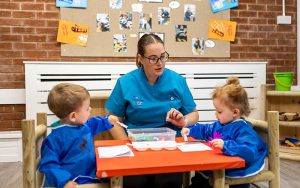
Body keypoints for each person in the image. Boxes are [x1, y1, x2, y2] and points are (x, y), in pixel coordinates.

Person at [105, 33, 199, 188]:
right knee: (136, 182)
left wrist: (184, 121)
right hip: (137, 146)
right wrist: (127, 145)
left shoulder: (177, 80)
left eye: (163, 56)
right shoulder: (126, 82)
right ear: (140, 58)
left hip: (169, 146)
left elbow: (194, 114)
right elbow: (113, 120)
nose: (160, 63)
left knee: (167, 182)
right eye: (153, 58)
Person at [178, 76, 267, 188]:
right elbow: (206, 129)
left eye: (219, 111)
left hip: (240, 169)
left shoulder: (243, 130)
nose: (216, 114)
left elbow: (249, 151)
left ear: (235, 112)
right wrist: (190, 130)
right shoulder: (221, 124)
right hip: (223, 162)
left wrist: (226, 145)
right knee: (201, 172)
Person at [39, 83, 120, 188]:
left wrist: (107, 120)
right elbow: (49, 165)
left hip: (90, 172)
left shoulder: (83, 126)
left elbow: (94, 123)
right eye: (87, 109)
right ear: (73, 116)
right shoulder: (55, 139)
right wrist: (64, 182)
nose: (90, 109)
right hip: (75, 181)